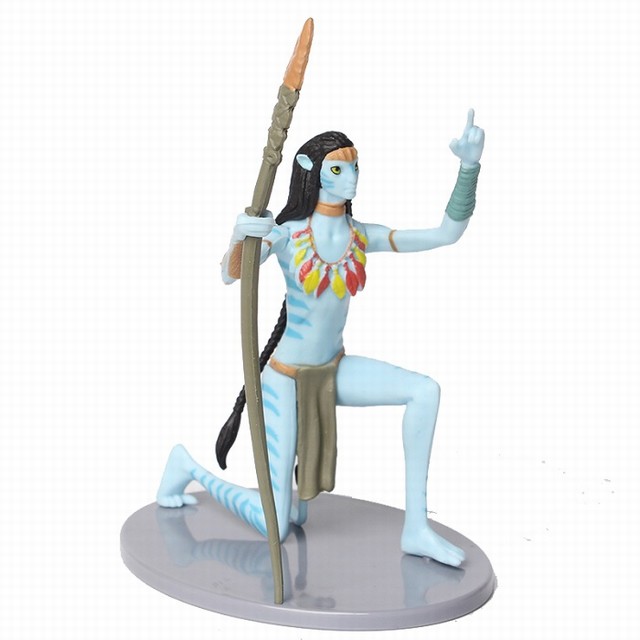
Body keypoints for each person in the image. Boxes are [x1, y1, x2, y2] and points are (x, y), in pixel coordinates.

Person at [157, 111, 484, 567]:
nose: (352, 177)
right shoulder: (287, 235)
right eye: (338, 168)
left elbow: (445, 234)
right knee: (278, 522)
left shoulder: (359, 235)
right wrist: (240, 236)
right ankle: (187, 467)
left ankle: (417, 528)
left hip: (333, 369)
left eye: (355, 167)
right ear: (311, 172)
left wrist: (469, 167)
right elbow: (230, 275)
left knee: (424, 391)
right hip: (284, 379)